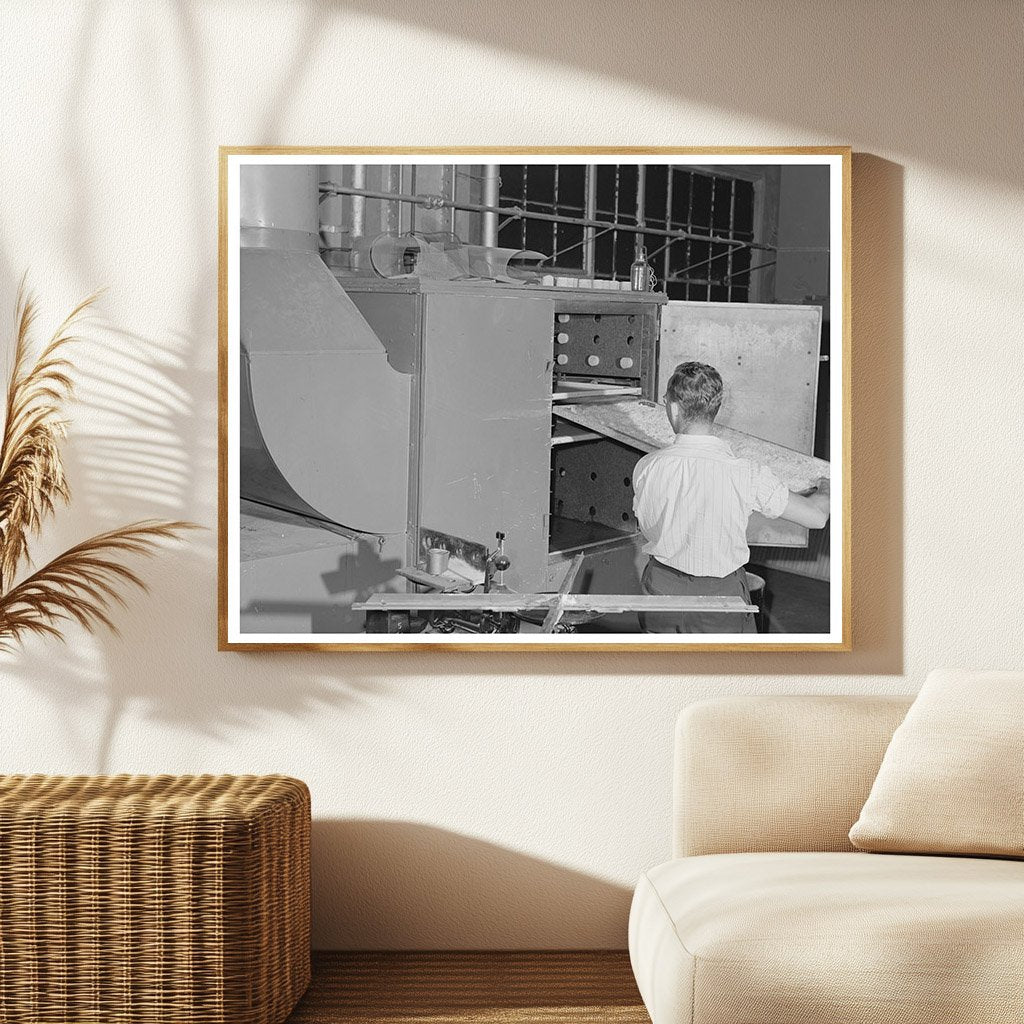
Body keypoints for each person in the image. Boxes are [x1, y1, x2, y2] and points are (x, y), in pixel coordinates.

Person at [632, 361, 830, 633]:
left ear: (675, 408)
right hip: (719, 597)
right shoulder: (746, 473)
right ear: (715, 409)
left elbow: (647, 526)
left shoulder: (647, 467)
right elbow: (817, 518)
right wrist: (826, 487)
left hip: (660, 588)